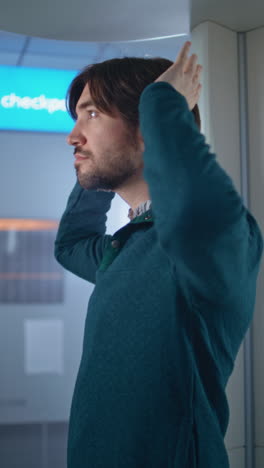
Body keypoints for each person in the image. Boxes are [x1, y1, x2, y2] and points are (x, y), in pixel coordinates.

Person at [54, 41, 263, 468]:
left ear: (148, 126)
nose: (73, 136)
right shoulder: (127, 247)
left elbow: (194, 209)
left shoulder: (213, 238)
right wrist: (93, 168)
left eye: (92, 114)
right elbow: (71, 244)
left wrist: (163, 105)